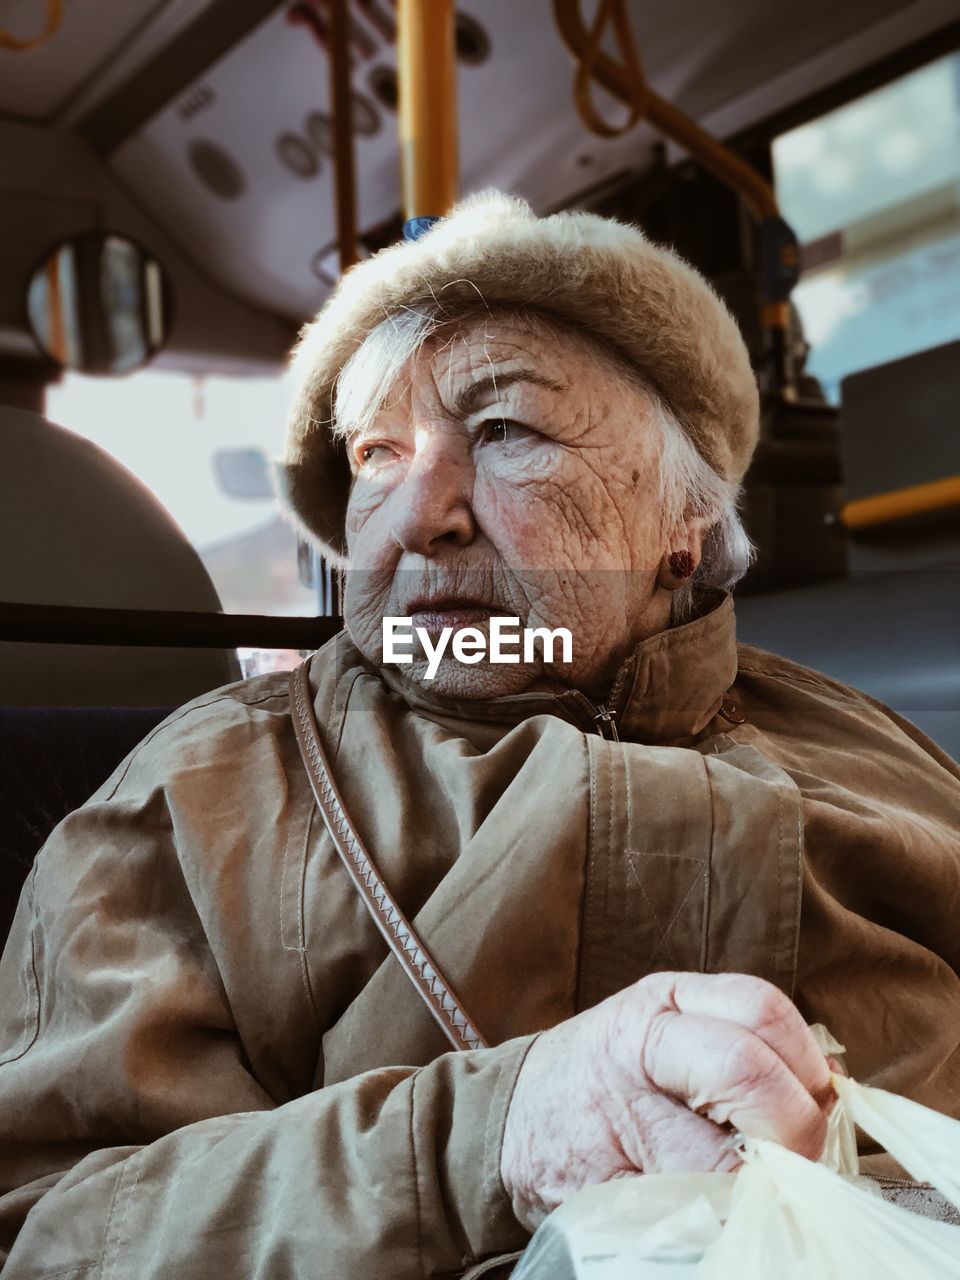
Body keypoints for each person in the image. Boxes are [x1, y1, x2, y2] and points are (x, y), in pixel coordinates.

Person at [1, 192, 958, 1279]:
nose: (420, 514)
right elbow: (51, 1233)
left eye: (505, 430)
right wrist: (496, 1137)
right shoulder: (199, 796)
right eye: (375, 456)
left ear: (684, 525)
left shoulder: (881, 763)